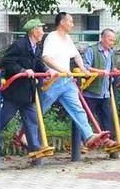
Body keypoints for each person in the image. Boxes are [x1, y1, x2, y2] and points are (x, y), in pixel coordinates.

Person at [39, 12, 113, 148]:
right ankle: (23, 133)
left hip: (66, 81)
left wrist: (84, 69)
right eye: (70, 21)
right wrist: (62, 70)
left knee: (78, 108)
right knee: (40, 108)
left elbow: (77, 55)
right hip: (54, 80)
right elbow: (46, 58)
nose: (73, 24)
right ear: (62, 22)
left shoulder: (67, 38)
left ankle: (89, 135)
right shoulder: (52, 37)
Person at [0, 19, 54, 165]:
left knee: (32, 122)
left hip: (28, 92)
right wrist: (22, 70)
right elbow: (7, 61)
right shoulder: (19, 45)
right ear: (34, 31)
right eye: (41, 29)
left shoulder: (36, 48)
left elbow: (38, 64)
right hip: (15, 92)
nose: (43, 32)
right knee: (3, 119)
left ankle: (35, 151)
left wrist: (46, 71)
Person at [82, 28, 120, 145]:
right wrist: (99, 71)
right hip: (91, 91)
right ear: (102, 38)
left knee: (107, 117)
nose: (112, 42)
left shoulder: (111, 52)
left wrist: (118, 71)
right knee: (86, 117)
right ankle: (81, 143)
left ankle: (108, 141)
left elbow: (111, 69)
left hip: (105, 91)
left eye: (113, 40)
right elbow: (85, 66)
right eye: (110, 39)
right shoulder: (92, 50)